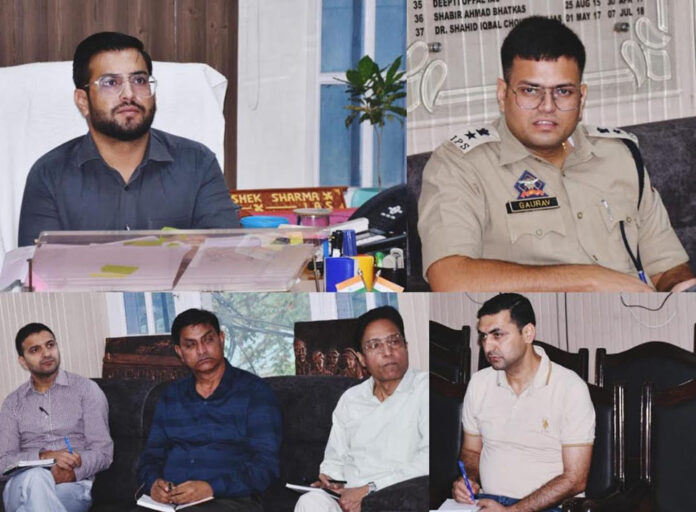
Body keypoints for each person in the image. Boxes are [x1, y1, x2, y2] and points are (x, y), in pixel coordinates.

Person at [418, 16, 696, 292]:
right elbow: (450, 278)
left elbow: (666, 267)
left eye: (563, 91)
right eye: (530, 90)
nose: (547, 106)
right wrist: (590, 280)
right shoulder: (460, 166)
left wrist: (680, 289)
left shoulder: (621, 155)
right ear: (502, 94)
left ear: (581, 99)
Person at [18, 31, 239, 247]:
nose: (129, 94)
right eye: (110, 82)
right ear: (82, 101)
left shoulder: (197, 163)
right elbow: (38, 266)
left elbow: (225, 255)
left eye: (139, 80)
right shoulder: (49, 175)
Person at [453, 294, 594, 511]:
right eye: (483, 336)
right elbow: (471, 452)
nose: (487, 347)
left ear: (528, 333)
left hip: (551, 507)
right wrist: (468, 480)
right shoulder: (480, 383)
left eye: (497, 335)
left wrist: (514, 510)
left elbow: (575, 479)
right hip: (488, 502)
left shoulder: (570, 388)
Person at [136, 308, 281, 511]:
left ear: (221, 339)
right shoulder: (171, 397)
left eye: (208, 340)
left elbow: (266, 466)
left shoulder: (255, 392)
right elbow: (151, 456)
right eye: (191, 345)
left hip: (231, 500)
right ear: (179, 352)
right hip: (171, 502)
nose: (202, 350)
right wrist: (153, 483)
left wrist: (211, 488)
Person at [295, 306, 428, 512]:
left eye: (394, 342)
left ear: (406, 346)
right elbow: (334, 459)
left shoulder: (425, 389)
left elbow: (427, 460)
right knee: (310, 502)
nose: (388, 352)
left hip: (397, 497)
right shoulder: (351, 399)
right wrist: (331, 480)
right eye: (374, 345)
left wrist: (368, 490)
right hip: (348, 499)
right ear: (361, 358)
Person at [0, 323, 113, 512]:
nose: (46, 354)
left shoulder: (86, 390)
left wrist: (73, 472)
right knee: (36, 477)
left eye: (50, 345)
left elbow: (103, 453)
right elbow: (3, 462)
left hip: (71, 486)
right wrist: (44, 457)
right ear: (23, 361)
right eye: (35, 350)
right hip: (21, 484)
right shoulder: (12, 403)